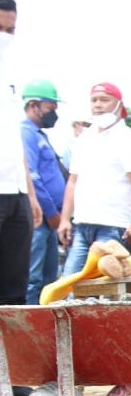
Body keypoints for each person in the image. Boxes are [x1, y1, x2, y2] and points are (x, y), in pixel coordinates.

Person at [58, 82, 131, 275]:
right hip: (83, 225)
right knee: (70, 285)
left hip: (114, 227)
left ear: (119, 105)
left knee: (109, 291)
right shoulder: (83, 139)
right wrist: (65, 219)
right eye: (94, 100)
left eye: (104, 100)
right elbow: (73, 181)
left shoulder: (130, 140)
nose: (98, 105)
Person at [0, 0, 42, 309]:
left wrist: (30, 194)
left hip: (15, 193)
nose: (5, 37)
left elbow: (14, 139)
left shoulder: (10, 75)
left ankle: (7, 360)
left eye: (10, 30)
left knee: (14, 293)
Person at [20, 80, 66, 305]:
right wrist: (50, 211)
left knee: (49, 279)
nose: (54, 112)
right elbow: (33, 176)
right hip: (41, 219)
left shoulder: (40, 135)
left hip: (52, 221)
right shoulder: (25, 133)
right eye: (51, 107)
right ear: (34, 105)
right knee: (33, 278)